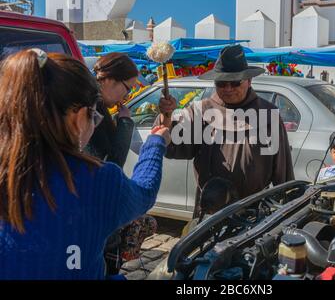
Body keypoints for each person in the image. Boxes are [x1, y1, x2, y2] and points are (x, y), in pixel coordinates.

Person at [0, 49, 170, 280]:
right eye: (93, 117)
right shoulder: (94, 179)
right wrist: (156, 143)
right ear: (80, 116)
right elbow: (144, 191)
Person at [158, 45, 294, 216]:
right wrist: (167, 115)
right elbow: (171, 145)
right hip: (210, 210)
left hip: (255, 210)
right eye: (222, 83)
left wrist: (286, 210)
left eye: (235, 82)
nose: (228, 88)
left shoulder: (268, 115)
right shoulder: (200, 110)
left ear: (249, 81)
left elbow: (283, 172)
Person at [88, 53, 158, 274]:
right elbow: (112, 163)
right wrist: (125, 122)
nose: (127, 96)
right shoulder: (91, 111)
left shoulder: (93, 105)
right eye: (127, 88)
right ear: (108, 79)